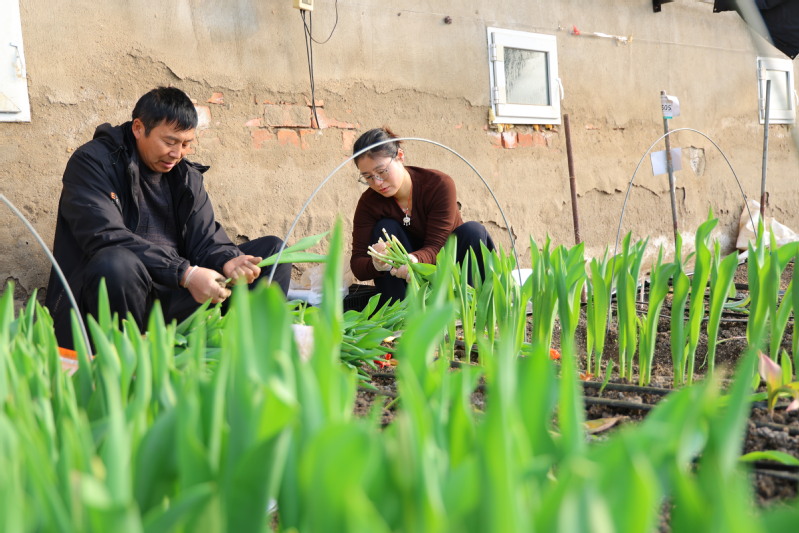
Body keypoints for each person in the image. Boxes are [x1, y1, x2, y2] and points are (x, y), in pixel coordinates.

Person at [45, 86, 291, 348]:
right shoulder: (93, 163)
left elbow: (205, 240)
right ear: (138, 128)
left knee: (273, 252)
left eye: (186, 144)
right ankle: (124, 360)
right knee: (116, 263)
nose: (177, 153)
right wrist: (185, 273)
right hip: (120, 297)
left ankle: (249, 355)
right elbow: (105, 237)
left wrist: (228, 260)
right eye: (170, 142)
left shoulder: (185, 176)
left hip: (175, 296)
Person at [349, 127, 494, 307]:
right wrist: (377, 263)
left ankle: (471, 307)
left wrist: (414, 259)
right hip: (404, 281)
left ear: (400, 156)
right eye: (368, 177)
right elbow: (358, 263)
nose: (377, 183)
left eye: (382, 171)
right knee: (385, 228)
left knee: (473, 231)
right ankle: (400, 314)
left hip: (448, 268)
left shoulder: (438, 185)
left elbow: (437, 246)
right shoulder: (369, 203)